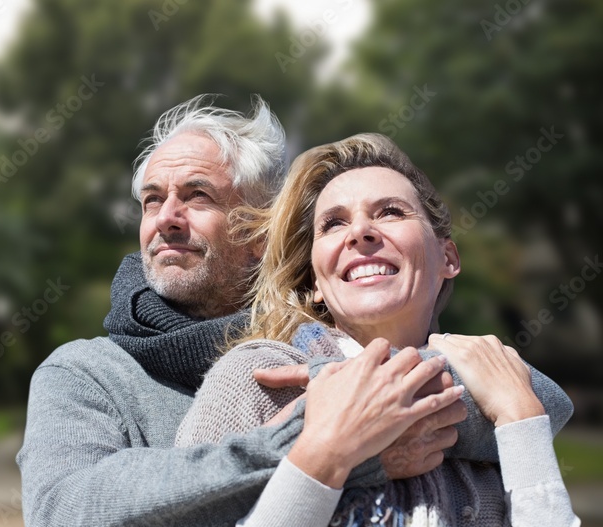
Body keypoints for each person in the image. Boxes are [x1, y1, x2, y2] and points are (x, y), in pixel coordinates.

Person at [19, 96, 518, 527]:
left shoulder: (329, 343)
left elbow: (538, 400)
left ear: (261, 233)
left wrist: (372, 404)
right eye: (152, 201)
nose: (166, 218)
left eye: (197, 196)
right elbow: (65, 510)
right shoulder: (85, 372)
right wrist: (337, 443)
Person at [176, 132, 578, 526]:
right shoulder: (253, 380)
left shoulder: (496, 388)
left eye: (390, 211)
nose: (360, 232)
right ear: (315, 281)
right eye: (333, 223)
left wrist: (521, 415)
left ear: (448, 257)